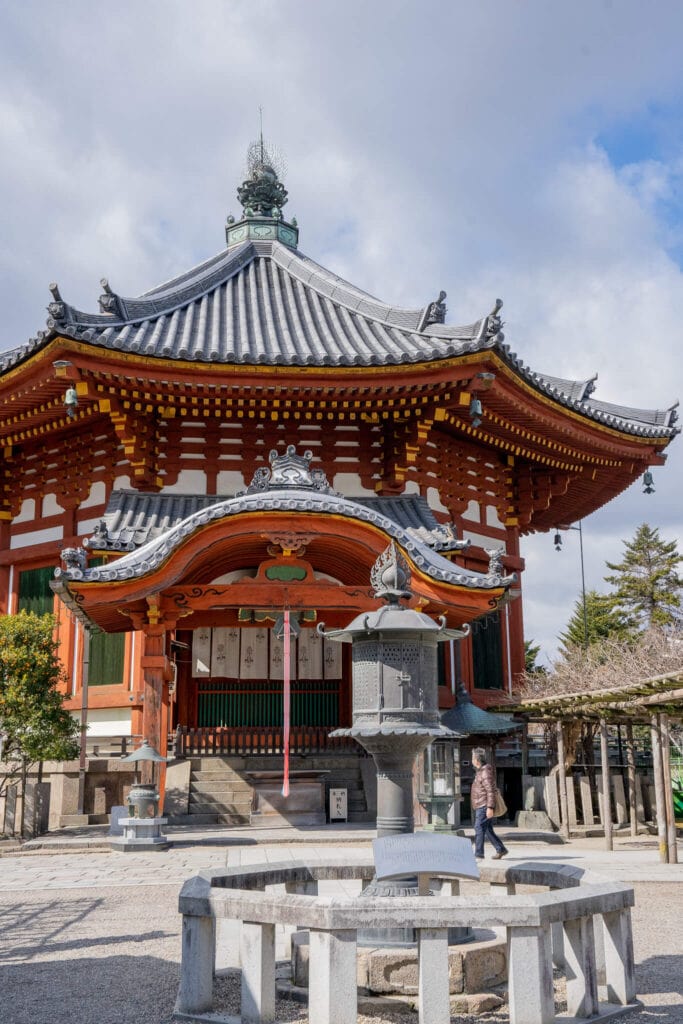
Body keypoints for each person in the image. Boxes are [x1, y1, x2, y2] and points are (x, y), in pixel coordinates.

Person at [470, 747, 508, 860]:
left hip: (483, 805)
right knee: (487, 829)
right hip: (481, 804)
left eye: (472, 757)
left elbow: (490, 791)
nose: (472, 760)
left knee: (479, 827)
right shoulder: (481, 771)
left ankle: (478, 854)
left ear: (477, 759)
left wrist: (490, 807)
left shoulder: (485, 772)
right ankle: (500, 849)